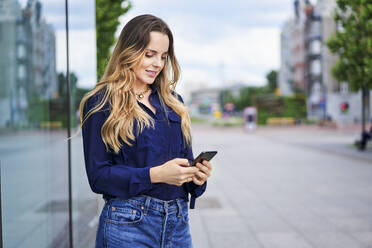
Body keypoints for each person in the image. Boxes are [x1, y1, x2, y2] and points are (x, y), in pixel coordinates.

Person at [79, 14, 213, 248]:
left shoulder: (173, 101)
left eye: (163, 56)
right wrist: (155, 175)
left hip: (177, 224)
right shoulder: (101, 103)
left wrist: (197, 177)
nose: (158, 64)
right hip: (127, 226)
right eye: (149, 54)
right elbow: (98, 177)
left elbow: (185, 166)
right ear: (128, 51)